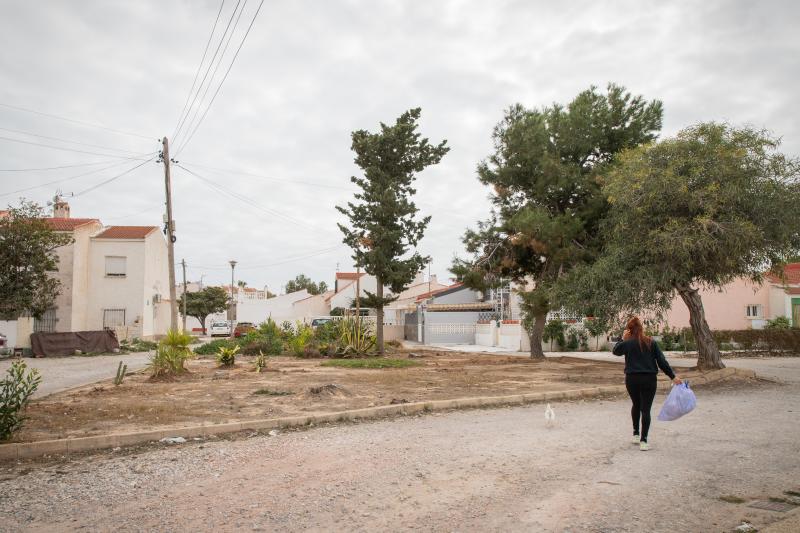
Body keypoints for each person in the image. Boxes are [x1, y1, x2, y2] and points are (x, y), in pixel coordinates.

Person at [613, 316, 682, 451]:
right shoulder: (651, 342)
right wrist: (672, 377)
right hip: (649, 379)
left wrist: (622, 338)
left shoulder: (627, 343)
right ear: (641, 329)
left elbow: (615, 351)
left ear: (629, 330)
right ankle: (644, 441)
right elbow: (662, 362)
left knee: (636, 404)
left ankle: (635, 433)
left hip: (632, 379)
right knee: (646, 409)